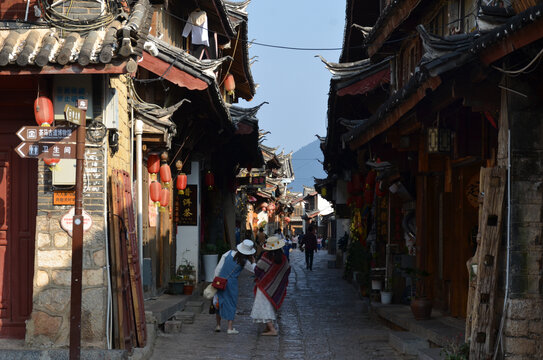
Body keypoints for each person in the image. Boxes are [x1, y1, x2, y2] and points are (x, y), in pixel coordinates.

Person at [213, 239, 256, 334]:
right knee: (231, 303)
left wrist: (215, 280)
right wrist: (253, 261)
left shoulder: (228, 253)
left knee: (219, 302)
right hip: (232, 284)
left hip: (221, 280)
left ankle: (218, 325)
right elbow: (255, 271)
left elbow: (218, 268)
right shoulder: (244, 262)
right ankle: (229, 327)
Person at [251, 236, 291, 336]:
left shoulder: (266, 256)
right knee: (270, 306)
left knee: (263, 306)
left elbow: (257, 270)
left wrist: (253, 263)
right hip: (274, 287)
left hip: (264, 286)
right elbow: (286, 271)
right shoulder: (283, 258)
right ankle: (267, 327)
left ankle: (272, 329)